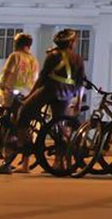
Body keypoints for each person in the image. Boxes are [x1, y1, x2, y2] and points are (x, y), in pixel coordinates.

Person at [12, 29, 85, 174]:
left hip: (50, 89)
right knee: (59, 125)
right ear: (71, 43)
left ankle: (26, 154)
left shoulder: (53, 55)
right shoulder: (78, 58)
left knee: (24, 113)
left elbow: (42, 78)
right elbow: (80, 82)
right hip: (67, 94)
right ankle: (60, 162)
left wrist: (30, 96)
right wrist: (78, 102)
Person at [0, 32, 39, 109]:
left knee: (6, 118)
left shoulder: (15, 56)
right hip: (28, 96)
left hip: (13, 97)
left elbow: (4, 80)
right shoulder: (34, 60)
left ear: (19, 44)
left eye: (15, 43)